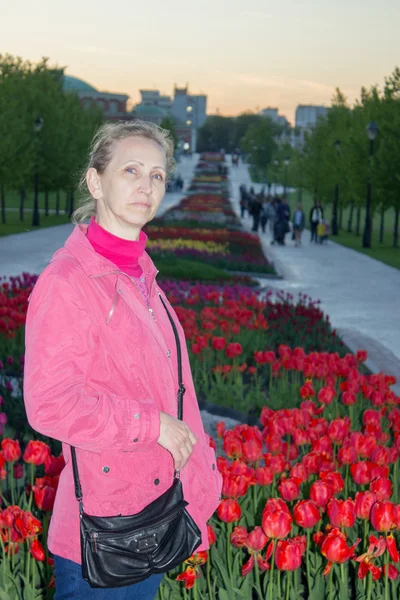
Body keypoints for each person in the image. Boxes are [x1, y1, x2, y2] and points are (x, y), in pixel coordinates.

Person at [23, 121, 222, 600]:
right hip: (107, 532)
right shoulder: (70, 280)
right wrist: (150, 425)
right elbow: (50, 404)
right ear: (96, 182)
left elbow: (177, 393)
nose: (145, 185)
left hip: (154, 514)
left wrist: (201, 482)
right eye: (130, 170)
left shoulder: (140, 275)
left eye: (156, 175)